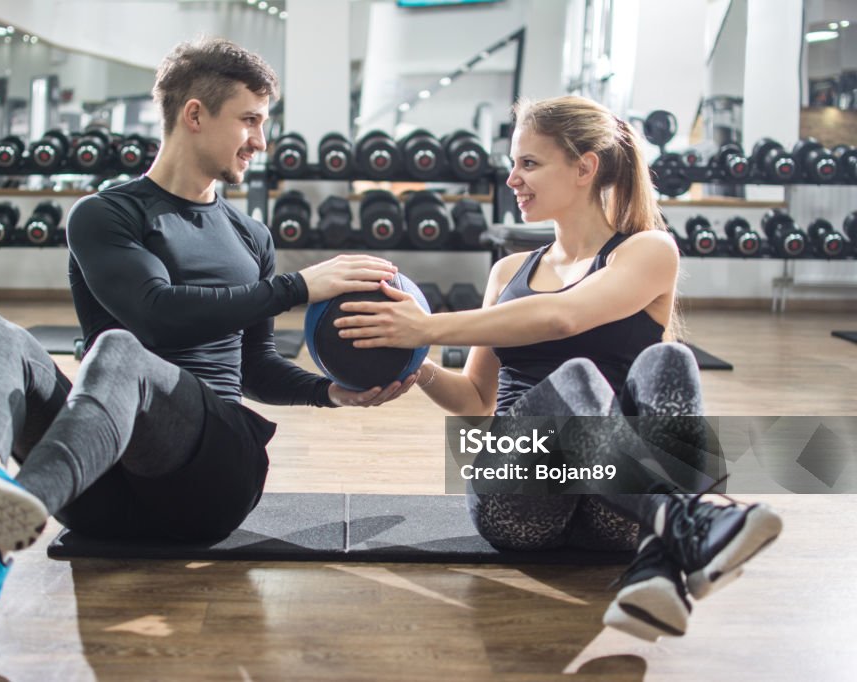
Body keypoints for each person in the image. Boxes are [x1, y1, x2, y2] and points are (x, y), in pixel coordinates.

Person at [0, 38, 416, 627]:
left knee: (117, 351)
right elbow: (155, 312)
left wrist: (329, 392)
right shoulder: (107, 215)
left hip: (211, 479)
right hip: (100, 488)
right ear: (195, 115)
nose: (261, 141)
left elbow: (253, 366)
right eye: (249, 120)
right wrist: (299, 287)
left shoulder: (250, 236)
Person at [334, 95, 782, 641]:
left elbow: (564, 317)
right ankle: (680, 529)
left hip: (612, 507)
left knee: (671, 359)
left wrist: (426, 325)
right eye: (512, 163)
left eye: (528, 163)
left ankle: (657, 567)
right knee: (575, 383)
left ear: (584, 167)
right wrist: (419, 364)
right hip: (518, 499)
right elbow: (477, 399)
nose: (511, 179)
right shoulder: (508, 271)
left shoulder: (648, 250)